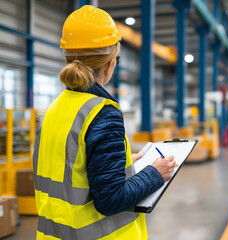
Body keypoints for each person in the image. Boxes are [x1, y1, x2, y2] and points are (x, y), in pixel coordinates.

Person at [33, 5, 176, 239]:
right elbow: (111, 199)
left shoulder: (55, 108)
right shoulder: (103, 113)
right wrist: (154, 173)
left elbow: (72, 169)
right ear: (111, 63)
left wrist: (125, 162)